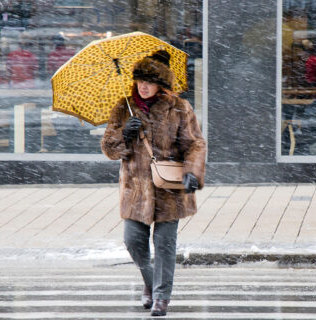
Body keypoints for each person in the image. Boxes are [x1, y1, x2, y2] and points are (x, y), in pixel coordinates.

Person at [101, 50, 206, 316]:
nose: (144, 86)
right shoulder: (123, 108)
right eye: (140, 81)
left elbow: (195, 144)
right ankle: (150, 282)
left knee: (165, 245)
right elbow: (108, 149)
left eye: (150, 81)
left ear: (162, 84)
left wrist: (193, 172)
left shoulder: (179, 108)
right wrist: (124, 135)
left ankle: (161, 297)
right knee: (133, 241)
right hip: (136, 189)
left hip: (170, 187)